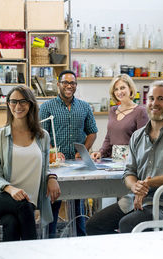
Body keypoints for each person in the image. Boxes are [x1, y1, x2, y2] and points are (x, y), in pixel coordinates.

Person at [86, 80, 163, 234]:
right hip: (135, 200)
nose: (154, 103)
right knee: (94, 225)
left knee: (128, 224)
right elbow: (129, 172)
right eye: (151, 98)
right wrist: (135, 187)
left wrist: (148, 183)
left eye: (161, 99)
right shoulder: (137, 136)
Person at [0, 85, 60, 241]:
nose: (18, 106)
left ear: (31, 104)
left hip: (25, 202)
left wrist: (52, 178)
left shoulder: (43, 136)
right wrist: (10, 189)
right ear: (8, 104)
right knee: (24, 206)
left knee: (12, 222)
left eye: (23, 101)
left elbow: (45, 168)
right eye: (13, 101)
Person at [40, 69, 98, 237]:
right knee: (53, 201)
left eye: (72, 83)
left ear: (76, 85)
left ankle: (80, 238)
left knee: (77, 201)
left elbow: (92, 132)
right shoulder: (47, 107)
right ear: (58, 84)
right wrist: (53, 153)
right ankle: (48, 239)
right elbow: (42, 135)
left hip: (77, 165)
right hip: (55, 166)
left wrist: (84, 150)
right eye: (65, 82)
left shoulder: (84, 106)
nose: (69, 86)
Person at [90, 74, 148, 161]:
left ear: (130, 88)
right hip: (113, 160)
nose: (119, 92)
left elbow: (143, 141)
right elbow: (109, 137)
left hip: (131, 161)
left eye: (122, 88)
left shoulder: (140, 111)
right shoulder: (113, 110)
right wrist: (100, 153)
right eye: (116, 89)